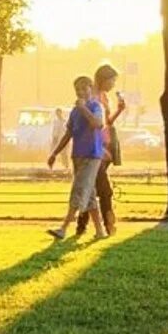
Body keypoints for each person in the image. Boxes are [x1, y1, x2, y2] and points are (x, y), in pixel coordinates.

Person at [45, 76, 108, 241]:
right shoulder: (74, 112)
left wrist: (83, 109)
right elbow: (68, 134)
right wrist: (54, 153)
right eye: (77, 90)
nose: (80, 92)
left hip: (92, 155)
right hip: (78, 155)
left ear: (90, 88)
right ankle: (100, 231)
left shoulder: (96, 106)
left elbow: (97, 124)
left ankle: (64, 228)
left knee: (79, 189)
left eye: (83, 88)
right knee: (89, 193)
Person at [77, 64, 124, 236]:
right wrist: (98, 148)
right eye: (112, 80)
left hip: (105, 147)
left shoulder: (104, 97)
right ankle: (108, 225)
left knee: (91, 188)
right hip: (95, 149)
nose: (113, 84)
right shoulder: (92, 98)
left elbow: (107, 122)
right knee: (104, 190)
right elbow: (91, 126)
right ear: (102, 79)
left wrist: (119, 110)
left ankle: (81, 226)